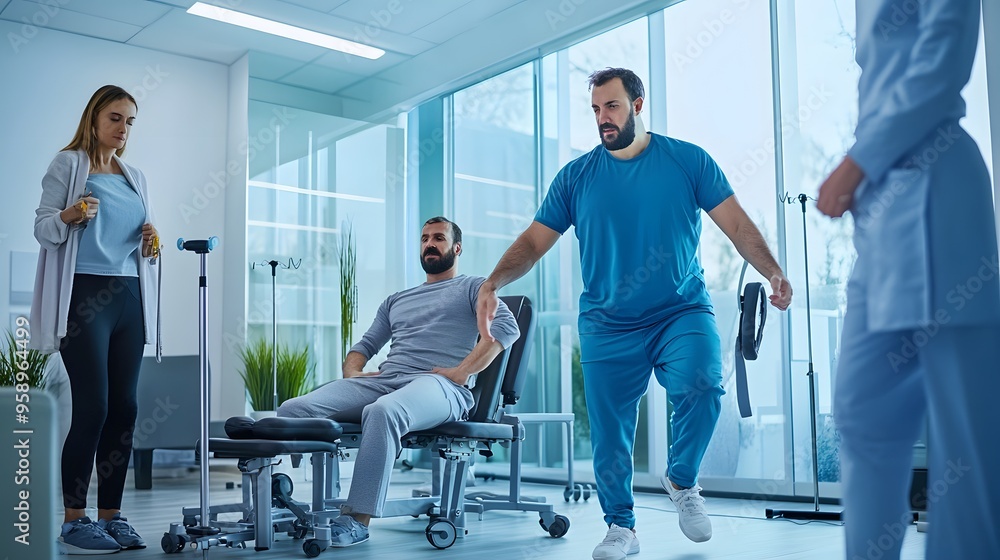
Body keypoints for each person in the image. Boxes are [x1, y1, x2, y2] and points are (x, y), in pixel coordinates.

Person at [476, 68, 792, 560]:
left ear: (638, 105)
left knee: (706, 385)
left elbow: (735, 223)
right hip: (607, 323)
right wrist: (493, 282)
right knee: (610, 434)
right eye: (597, 109)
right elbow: (535, 241)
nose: (603, 118)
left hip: (680, 309)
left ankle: (681, 480)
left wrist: (772, 271)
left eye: (613, 106)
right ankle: (621, 526)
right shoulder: (576, 177)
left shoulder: (688, 161)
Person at [817, 2, 1000, 558]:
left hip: (939, 198)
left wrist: (857, 164)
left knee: (964, 438)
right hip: (882, 221)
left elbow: (942, 62)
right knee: (861, 407)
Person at [278, 216, 520, 547]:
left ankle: (357, 519)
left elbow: (506, 329)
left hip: (440, 386)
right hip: (387, 379)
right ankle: (285, 499)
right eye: (424, 239)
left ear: (456, 248)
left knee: (383, 411)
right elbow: (362, 347)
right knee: (293, 408)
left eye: (438, 238)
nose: (430, 244)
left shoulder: (473, 287)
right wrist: (353, 372)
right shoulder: (397, 299)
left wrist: (461, 371)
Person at [31, 85, 161, 554]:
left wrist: (150, 239)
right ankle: (73, 519)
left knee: (125, 408)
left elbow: (137, 239)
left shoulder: (136, 177)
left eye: (129, 122)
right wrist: (68, 214)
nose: (123, 130)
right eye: (115, 119)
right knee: (94, 407)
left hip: (129, 295)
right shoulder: (68, 165)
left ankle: (112, 517)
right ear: (93, 118)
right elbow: (43, 227)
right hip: (86, 294)